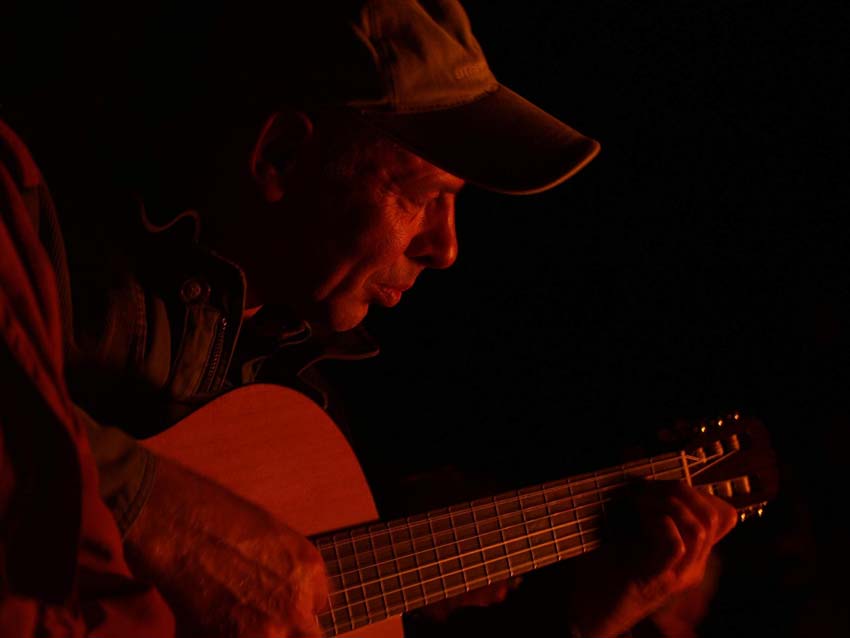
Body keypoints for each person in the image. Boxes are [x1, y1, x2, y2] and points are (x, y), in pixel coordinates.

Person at [0, 1, 739, 636]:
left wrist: (585, 620)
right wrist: (157, 511)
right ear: (281, 156)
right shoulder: (43, 234)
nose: (446, 247)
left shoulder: (301, 417)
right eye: (424, 195)